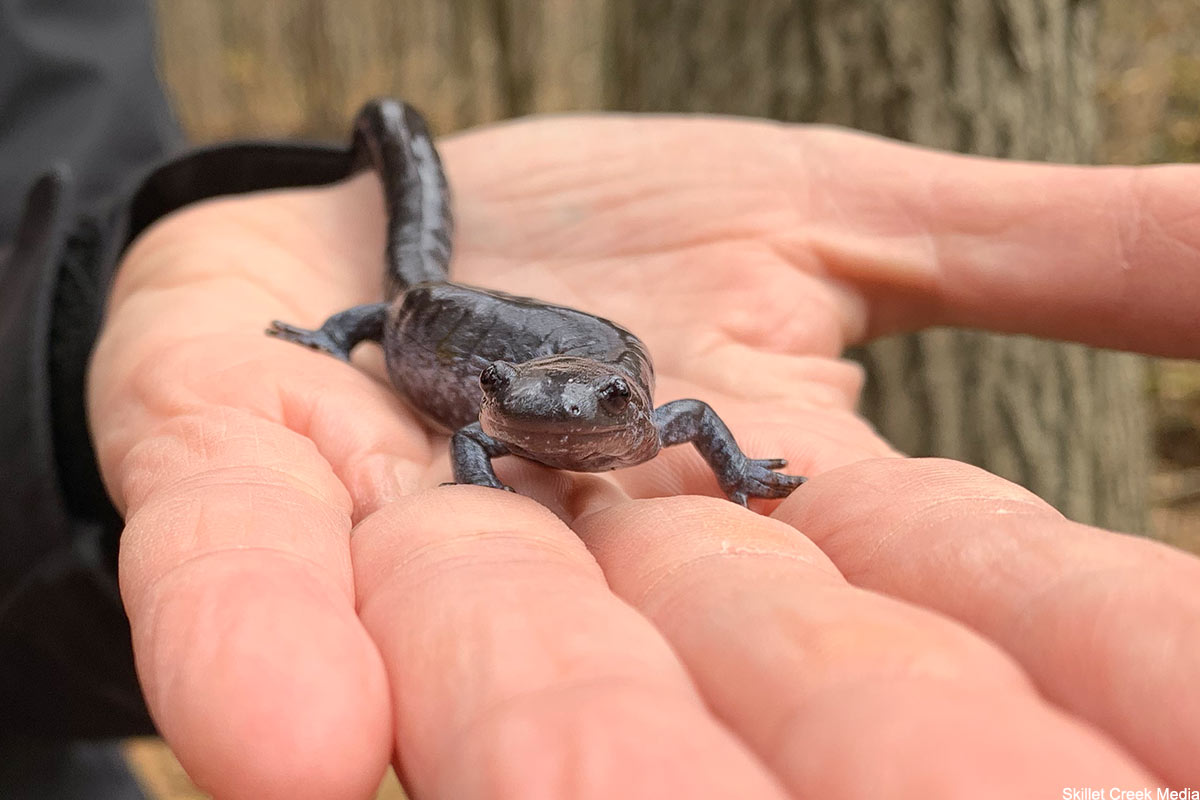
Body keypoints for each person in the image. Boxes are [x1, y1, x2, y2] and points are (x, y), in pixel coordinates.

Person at [4, 5, 1200, 800]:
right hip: (435, 304)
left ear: (632, 404)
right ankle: (380, 170)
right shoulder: (493, 400)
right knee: (403, 299)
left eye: (582, 416)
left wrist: (740, 475)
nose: (536, 430)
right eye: (513, 410)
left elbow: (692, 425)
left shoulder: (655, 416)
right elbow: (474, 415)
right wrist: (343, 338)